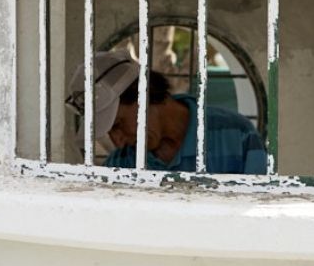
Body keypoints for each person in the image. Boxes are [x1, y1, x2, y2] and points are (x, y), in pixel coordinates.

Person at [68, 50, 266, 175]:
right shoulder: (120, 163)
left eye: (117, 124)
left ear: (144, 95)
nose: (118, 142)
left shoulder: (238, 135)